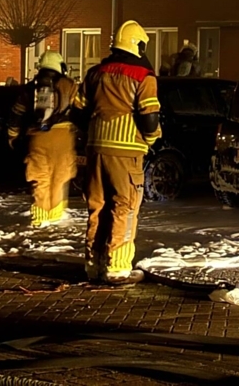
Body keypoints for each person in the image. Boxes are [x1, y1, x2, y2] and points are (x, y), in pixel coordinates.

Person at [78, 20, 162, 285]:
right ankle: (119, 268)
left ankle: (94, 265)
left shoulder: (95, 73)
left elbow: (78, 110)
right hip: (126, 152)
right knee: (124, 207)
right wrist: (152, 138)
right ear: (138, 45)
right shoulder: (143, 76)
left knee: (97, 207)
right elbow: (149, 118)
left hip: (95, 148)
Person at [7, 50, 79, 228]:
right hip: (63, 137)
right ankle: (56, 219)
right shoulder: (69, 85)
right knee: (60, 178)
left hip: (37, 137)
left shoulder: (31, 88)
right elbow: (81, 110)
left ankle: (39, 220)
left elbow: (16, 114)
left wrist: (13, 135)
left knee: (40, 179)